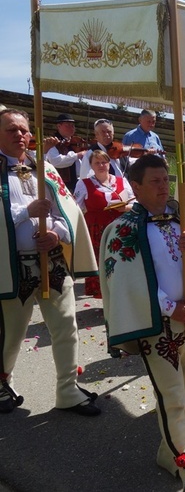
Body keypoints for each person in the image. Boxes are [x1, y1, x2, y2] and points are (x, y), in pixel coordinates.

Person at [99, 154, 185, 492]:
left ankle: (169, 451)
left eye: (166, 180)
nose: (164, 187)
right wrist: (169, 307)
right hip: (159, 327)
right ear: (136, 186)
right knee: (172, 397)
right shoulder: (122, 229)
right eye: (156, 181)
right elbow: (126, 281)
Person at [0, 108, 100, 416]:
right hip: (13, 266)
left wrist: (56, 232)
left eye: (23, 130)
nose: (20, 135)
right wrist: (25, 211)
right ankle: (3, 383)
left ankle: (68, 390)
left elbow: (67, 210)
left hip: (52, 263)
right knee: (11, 334)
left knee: (66, 326)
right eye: (11, 130)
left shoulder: (44, 168)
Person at [73, 149, 134, 298]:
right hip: (96, 230)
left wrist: (125, 207)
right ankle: (104, 299)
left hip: (119, 229)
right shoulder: (84, 183)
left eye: (104, 162)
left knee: (119, 262)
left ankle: (119, 297)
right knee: (100, 262)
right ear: (91, 166)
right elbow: (75, 208)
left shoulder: (121, 181)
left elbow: (135, 202)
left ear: (109, 164)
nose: (101, 165)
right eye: (97, 163)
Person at [42, 113, 87, 193]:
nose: (72, 128)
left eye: (73, 125)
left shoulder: (75, 141)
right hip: (59, 183)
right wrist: (78, 155)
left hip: (76, 183)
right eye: (68, 125)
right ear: (59, 126)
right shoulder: (52, 142)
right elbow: (56, 161)